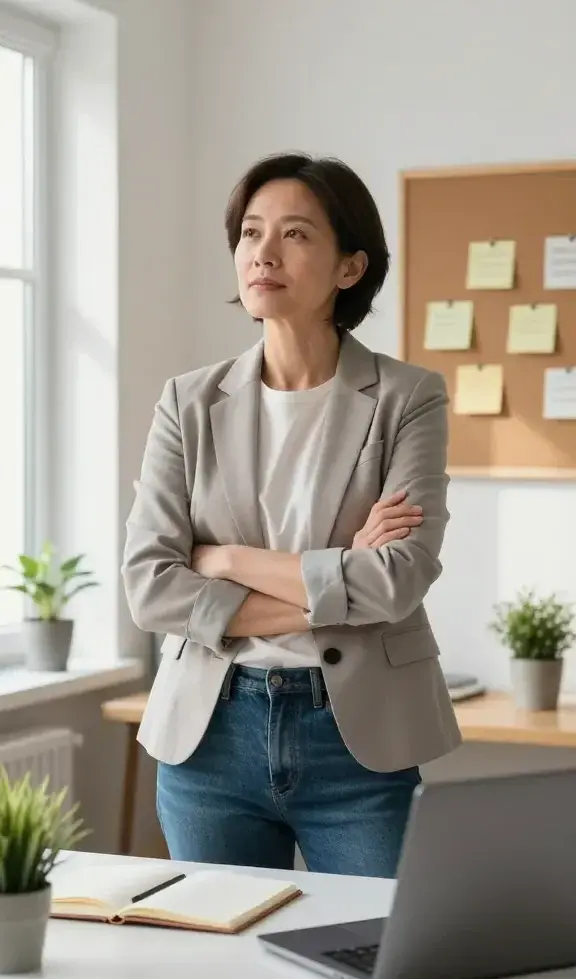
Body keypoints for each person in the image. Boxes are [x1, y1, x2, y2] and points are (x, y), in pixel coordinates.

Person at [122, 152, 461, 878]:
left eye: (296, 234)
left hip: (357, 739)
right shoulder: (188, 402)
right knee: (226, 973)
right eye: (250, 233)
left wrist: (225, 561)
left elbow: (397, 582)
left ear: (349, 266)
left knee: (373, 964)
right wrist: (339, 587)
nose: (263, 253)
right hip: (210, 735)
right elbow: (151, 588)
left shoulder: (410, 399)